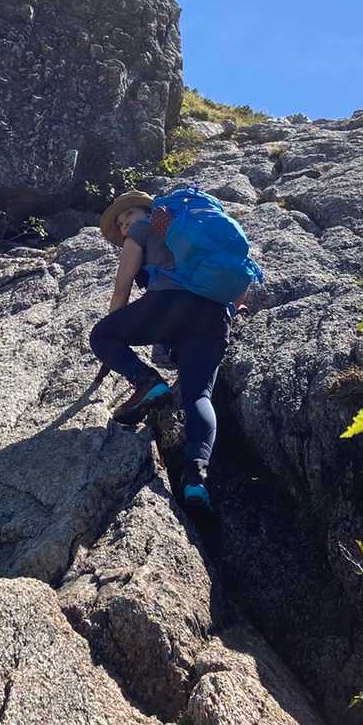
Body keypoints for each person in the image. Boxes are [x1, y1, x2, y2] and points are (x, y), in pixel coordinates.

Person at [90, 189, 241, 512]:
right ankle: (196, 477)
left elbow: (122, 288)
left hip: (168, 304)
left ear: (145, 211)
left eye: (127, 217)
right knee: (199, 396)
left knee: (101, 335)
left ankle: (147, 381)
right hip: (214, 317)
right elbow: (240, 277)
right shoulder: (198, 230)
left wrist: (114, 343)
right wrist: (227, 313)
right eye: (121, 223)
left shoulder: (144, 228)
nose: (124, 226)